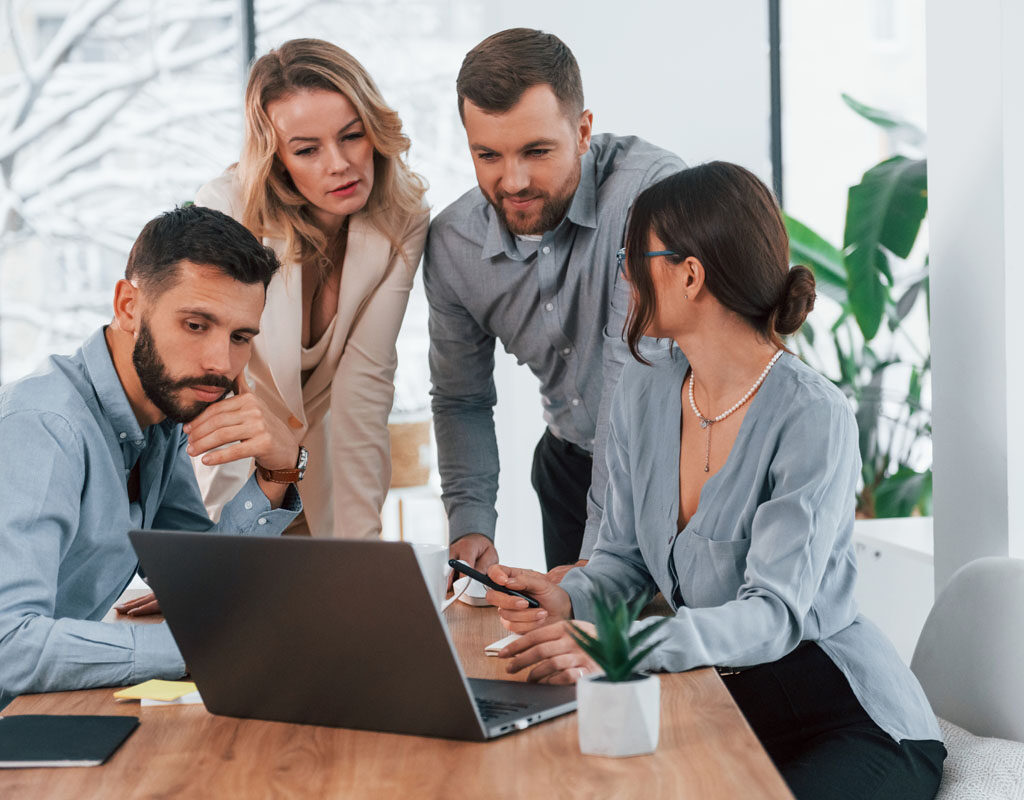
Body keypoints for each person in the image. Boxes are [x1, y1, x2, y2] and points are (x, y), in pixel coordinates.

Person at [484, 164, 946, 799]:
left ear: (690, 273)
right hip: (722, 696)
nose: (622, 274)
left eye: (631, 256)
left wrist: (621, 647)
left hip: (844, 715)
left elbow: (775, 615)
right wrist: (567, 600)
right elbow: (624, 560)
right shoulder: (645, 390)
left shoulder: (812, 415)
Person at [0, 206, 304, 707]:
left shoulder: (158, 425)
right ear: (127, 306)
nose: (220, 364)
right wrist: (195, 648)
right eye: (195, 324)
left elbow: (199, 583)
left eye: (240, 337)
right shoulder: (44, 428)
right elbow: (10, 645)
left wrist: (277, 470)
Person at [425, 28, 683, 577]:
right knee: (577, 658)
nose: (512, 180)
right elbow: (460, 398)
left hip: (676, 469)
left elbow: (631, 376)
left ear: (583, 131)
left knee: (683, 655)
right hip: (567, 469)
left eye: (536, 151)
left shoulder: (651, 196)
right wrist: (469, 522)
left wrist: (598, 561)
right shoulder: (453, 244)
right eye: (487, 154)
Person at [194, 38, 429, 538]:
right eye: (307, 149)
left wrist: (362, 550)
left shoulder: (403, 218)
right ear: (278, 158)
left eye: (352, 135)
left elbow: (364, 385)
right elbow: (215, 386)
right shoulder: (227, 211)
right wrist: (218, 549)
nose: (339, 163)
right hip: (228, 464)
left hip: (321, 469)